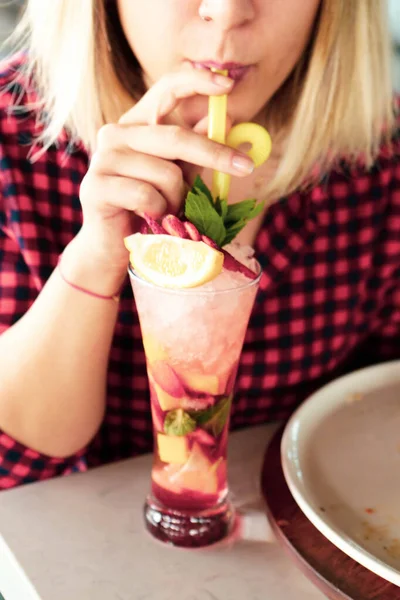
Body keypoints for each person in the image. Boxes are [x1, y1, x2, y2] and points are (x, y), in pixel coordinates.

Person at [0, 0, 399, 490]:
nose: (227, 11)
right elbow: (14, 463)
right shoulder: (12, 137)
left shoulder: (382, 155)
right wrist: (96, 257)